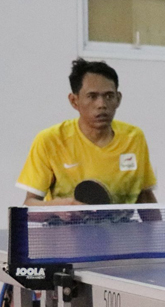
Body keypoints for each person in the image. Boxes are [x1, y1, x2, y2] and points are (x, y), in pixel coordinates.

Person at [16, 59, 157, 207]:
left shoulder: (134, 138)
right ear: (74, 101)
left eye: (109, 96)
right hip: (63, 222)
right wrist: (61, 207)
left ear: (118, 99)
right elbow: (29, 205)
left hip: (120, 222)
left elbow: (144, 196)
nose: (101, 104)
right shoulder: (50, 140)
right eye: (92, 96)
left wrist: (163, 222)